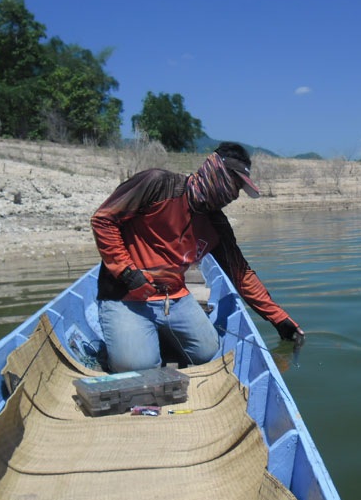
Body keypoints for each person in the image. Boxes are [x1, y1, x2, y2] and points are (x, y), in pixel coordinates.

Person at [90, 142, 303, 372]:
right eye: (234, 183)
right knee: (138, 367)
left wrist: (279, 319)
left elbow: (241, 275)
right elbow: (104, 220)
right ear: (216, 170)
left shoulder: (216, 224)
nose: (233, 195)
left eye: (239, 189)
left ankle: (149, 336)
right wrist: (127, 272)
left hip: (174, 297)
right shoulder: (158, 184)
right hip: (125, 296)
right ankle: (135, 339)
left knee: (207, 353)